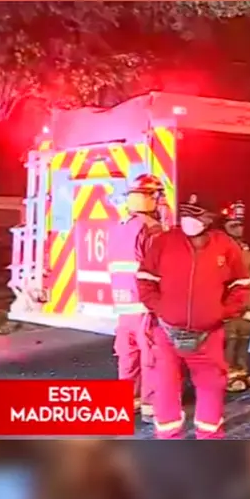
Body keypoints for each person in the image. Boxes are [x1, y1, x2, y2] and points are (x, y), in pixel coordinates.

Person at [135, 195, 250, 439]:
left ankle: (208, 438)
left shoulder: (226, 246)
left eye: (196, 215)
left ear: (210, 219)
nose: (189, 220)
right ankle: (168, 441)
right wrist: (162, 309)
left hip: (208, 335)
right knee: (166, 387)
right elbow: (145, 280)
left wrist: (222, 313)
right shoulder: (164, 242)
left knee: (211, 387)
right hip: (167, 334)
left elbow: (241, 285)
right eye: (185, 213)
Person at [109, 173, 166, 422]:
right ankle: (151, 406)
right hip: (145, 307)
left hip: (124, 308)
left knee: (127, 356)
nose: (161, 201)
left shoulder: (120, 227)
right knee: (151, 356)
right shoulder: (151, 230)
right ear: (150, 197)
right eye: (158, 196)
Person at [221, 201, 250, 392]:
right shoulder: (220, 246)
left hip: (248, 300)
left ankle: (241, 371)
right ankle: (227, 374)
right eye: (234, 225)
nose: (239, 229)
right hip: (230, 300)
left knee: (245, 336)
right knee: (230, 338)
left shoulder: (244, 247)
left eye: (241, 224)